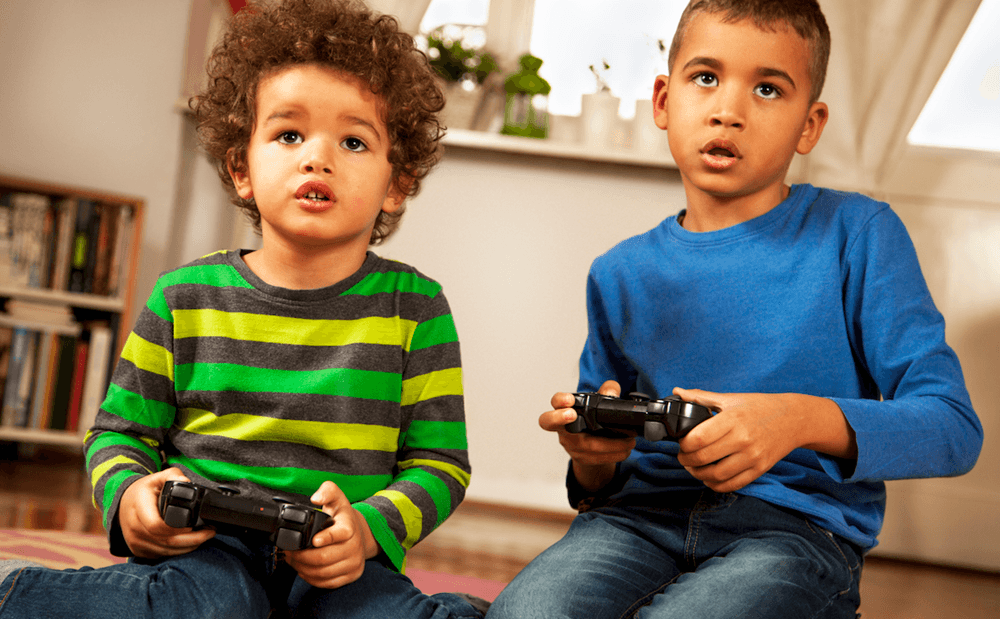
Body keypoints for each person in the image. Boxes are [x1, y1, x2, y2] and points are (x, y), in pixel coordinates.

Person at [487, 1, 983, 617]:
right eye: (705, 78)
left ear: (810, 124)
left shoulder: (859, 234)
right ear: (665, 101)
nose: (729, 110)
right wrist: (594, 463)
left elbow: (953, 428)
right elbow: (600, 478)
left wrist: (797, 421)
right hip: (636, 522)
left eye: (769, 88)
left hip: (794, 533)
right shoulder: (619, 272)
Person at [0, 1, 487, 617]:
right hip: (207, 549)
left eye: (355, 140)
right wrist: (130, 500)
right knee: (213, 606)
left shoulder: (416, 309)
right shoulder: (184, 296)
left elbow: (440, 463)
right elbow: (119, 434)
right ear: (241, 169)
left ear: (397, 183)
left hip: (340, 558)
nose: (318, 157)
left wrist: (367, 530)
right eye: (288, 134)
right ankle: (16, 593)